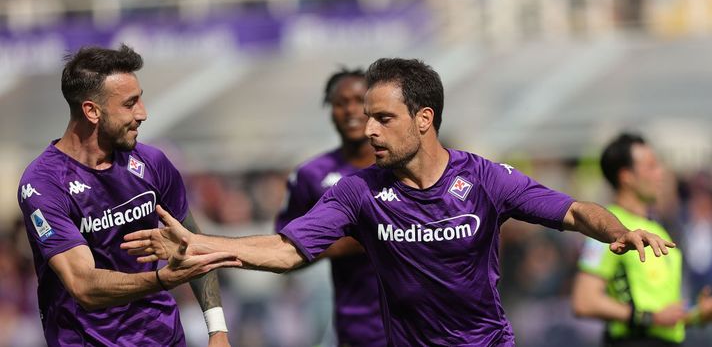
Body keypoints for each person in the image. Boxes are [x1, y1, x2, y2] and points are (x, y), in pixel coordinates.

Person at [123, 58, 675, 346]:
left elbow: (575, 211)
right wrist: (205, 246)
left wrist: (616, 231)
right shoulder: (359, 191)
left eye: (382, 118)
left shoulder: (483, 178)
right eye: (365, 117)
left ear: (423, 118)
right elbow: (289, 250)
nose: (368, 130)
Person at [17, 44, 240, 346]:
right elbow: (83, 285)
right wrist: (161, 280)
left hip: (164, 338)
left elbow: (194, 246)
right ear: (91, 111)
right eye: (130, 103)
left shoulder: (153, 163)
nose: (143, 113)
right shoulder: (44, 183)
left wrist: (218, 332)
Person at [274, 68, 386, 346]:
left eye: (359, 100)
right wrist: (354, 239)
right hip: (358, 324)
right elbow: (282, 247)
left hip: (422, 321)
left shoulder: (402, 166)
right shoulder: (311, 175)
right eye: (340, 102)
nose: (350, 110)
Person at [572, 133, 712, 347]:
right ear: (626, 176)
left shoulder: (657, 229)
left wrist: (696, 315)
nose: (661, 174)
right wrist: (649, 318)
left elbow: (662, 314)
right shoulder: (608, 228)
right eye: (651, 166)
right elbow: (585, 301)